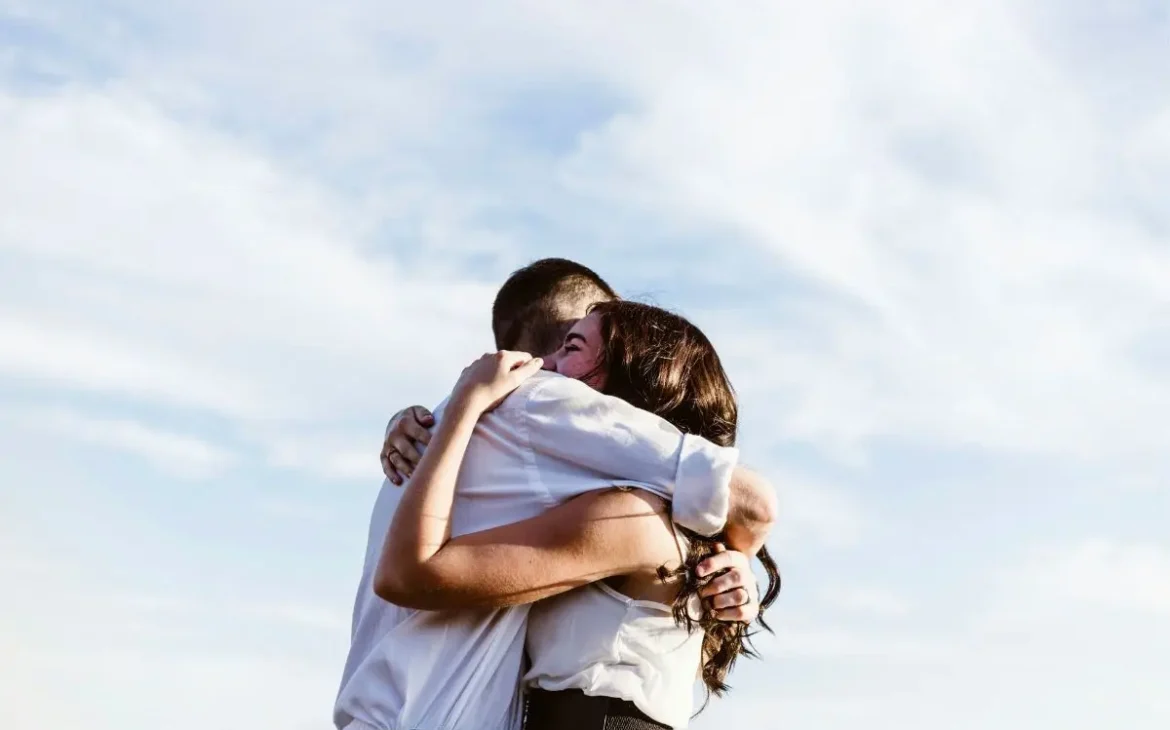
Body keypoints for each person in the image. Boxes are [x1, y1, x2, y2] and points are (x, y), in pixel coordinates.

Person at [334, 259, 777, 730]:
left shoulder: (628, 511)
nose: (547, 370)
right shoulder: (538, 416)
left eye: (576, 347)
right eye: (570, 341)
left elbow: (751, 501)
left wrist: (736, 558)